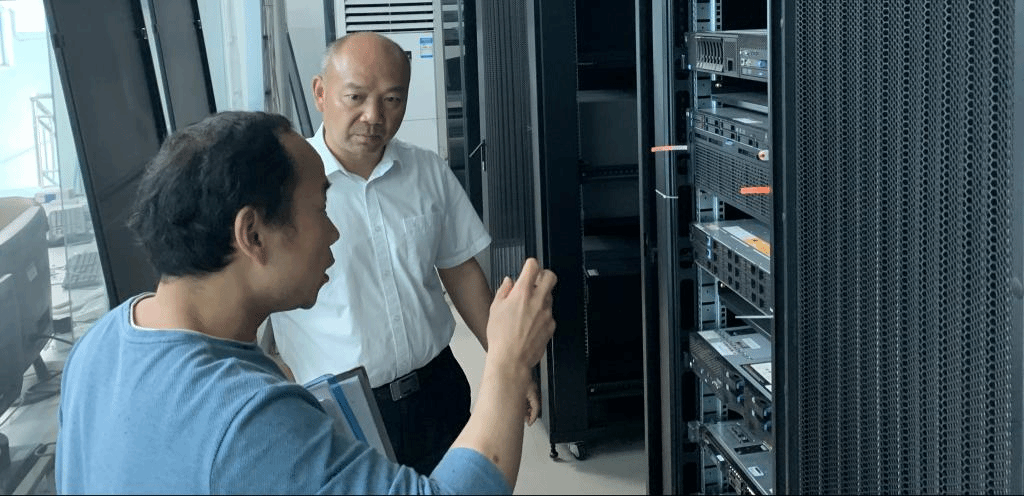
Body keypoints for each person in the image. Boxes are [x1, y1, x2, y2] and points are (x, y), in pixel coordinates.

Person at [54, 111, 558, 494]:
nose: (333, 232)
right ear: (253, 234)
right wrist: (508, 363)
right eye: (320, 206)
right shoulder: (248, 423)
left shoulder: (101, 343)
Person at [268, 31, 539, 474]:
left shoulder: (426, 171)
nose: (374, 116)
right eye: (356, 97)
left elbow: (461, 271)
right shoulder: (281, 189)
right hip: (340, 408)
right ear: (320, 93)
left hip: (437, 387)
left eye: (392, 100)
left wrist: (509, 364)